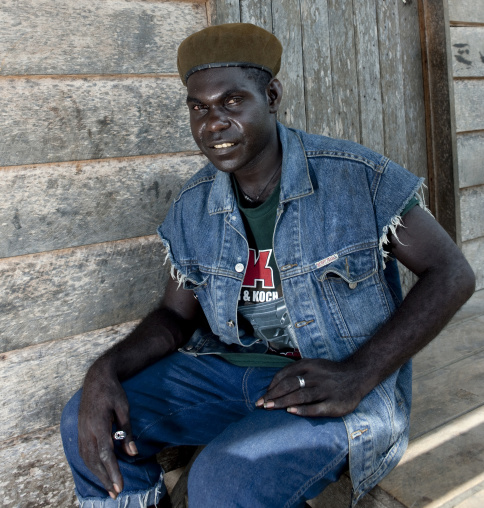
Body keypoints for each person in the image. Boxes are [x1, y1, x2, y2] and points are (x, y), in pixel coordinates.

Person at [61, 23, 475, 508]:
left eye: (232, 102)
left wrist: (358, 372)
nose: (213, 123)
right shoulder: (194, 206)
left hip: (337, 388)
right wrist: (103, 371)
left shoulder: (355, 179)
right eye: (199, 107)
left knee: (225, 479)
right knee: (84, 422)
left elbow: (452, 275)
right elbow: (175, 318)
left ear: (272, 95)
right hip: (223, 374)